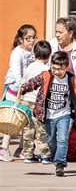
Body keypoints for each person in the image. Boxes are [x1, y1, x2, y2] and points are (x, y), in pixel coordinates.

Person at [19, 51, 76, 177]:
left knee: (63, 139)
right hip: (48, 115)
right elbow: (33, 82)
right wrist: (24, 88)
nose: (56, 71)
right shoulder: (46, 75)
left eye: (59, 69)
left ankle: (60, 164)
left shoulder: (73, 80)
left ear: (66, 67)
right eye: (53, 68)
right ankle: (56, 157)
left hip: (64, 115)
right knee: (50, 141)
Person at [1, 24, 37, 162]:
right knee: (12, 119)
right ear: (21, 39)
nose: (32, 41)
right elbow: (17, 72)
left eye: (33, 37)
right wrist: (22, 86)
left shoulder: (32, 52)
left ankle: (22, 149)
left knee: (26, 119)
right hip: (15, 88)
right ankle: (4, 148)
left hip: (27, 88)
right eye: (28, 38)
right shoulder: (17, 52)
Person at [21, 40, 53, 164]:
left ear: (34, 54)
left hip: (26, 102)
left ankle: (28, 155)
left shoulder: (30, 67)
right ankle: (45, 155)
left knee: (28, 130)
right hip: (39, 103)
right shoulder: (46, 69)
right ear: (49, 55)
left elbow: (24, 83)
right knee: (41, 130)